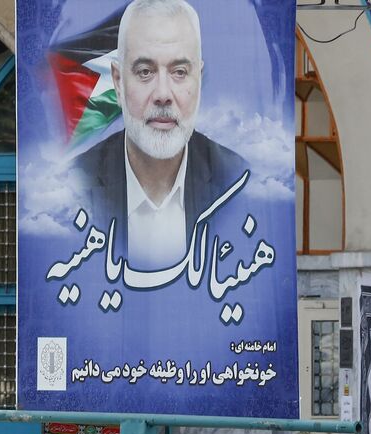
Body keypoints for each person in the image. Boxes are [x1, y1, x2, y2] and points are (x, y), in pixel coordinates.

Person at [70, 0, 249, 272]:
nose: (163, 94)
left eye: (179, 72)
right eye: (145, 72)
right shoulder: (72, 185)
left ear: (198, 80)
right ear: (118, 82)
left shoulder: (238, 181)